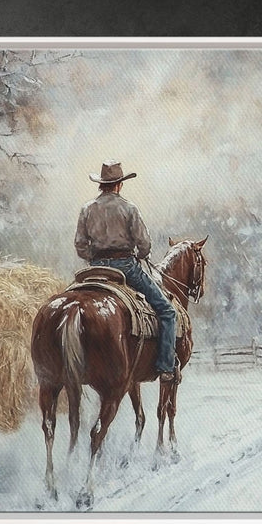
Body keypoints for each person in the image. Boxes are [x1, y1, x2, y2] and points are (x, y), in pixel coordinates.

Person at [75, 160, 179, 382]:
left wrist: (94, 257)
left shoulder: (87, 209)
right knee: (167, 311)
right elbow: (144, 244)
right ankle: (166, 367)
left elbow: (80, 245)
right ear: (119, 184)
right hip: (125, 267)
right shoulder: (129, 209)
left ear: (101, 184)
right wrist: (141, 254)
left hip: (95, 269)